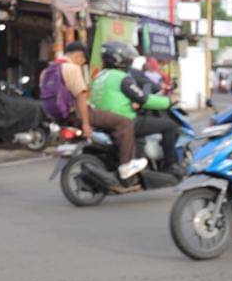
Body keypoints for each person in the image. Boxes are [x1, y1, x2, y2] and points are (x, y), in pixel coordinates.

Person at [41, 41, 144, 180]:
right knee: (124, 123)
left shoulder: (47, 70)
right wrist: (85, 123)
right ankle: (126, 165)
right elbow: (81, 97)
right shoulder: (72, 68)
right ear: (79, 56)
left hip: (60, 118)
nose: (82, 65)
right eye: (83, 62)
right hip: (77, 114)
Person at [89, 41, 179, 175]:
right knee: (170, 126)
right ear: (119, 59)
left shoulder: (100, 76)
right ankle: (169, 166)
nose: (130, 60)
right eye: (128, 57)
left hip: (105, 118)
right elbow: (143, 99)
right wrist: (168, 102)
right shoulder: (122, 78)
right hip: (124, 118)